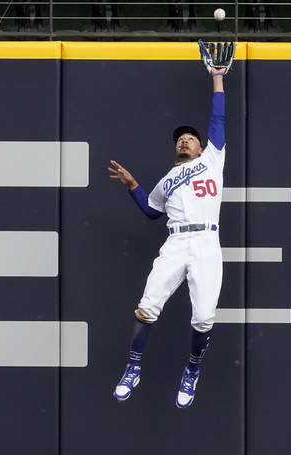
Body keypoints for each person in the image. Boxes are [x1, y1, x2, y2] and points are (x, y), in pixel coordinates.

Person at [107, 65, 227, 408]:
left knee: (204, 317)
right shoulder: (165, 182)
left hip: (206, 242)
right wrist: (133, 186)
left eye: (190, 137)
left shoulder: (213, 160)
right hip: (176, 243)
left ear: (202, 147)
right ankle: (133, 366)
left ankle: (192, 370)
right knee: (147, 307)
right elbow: (151, 211)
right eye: (179, 138)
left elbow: (217, 119)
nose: (184, 139)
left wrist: (217, 77)